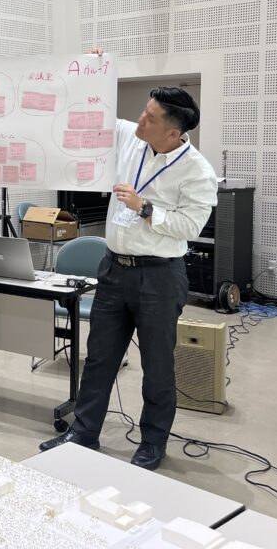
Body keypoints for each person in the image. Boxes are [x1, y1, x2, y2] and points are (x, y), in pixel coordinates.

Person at [39, 84, 217, 471]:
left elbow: (190, 226)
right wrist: (92, 71)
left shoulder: (198, 172)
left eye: (150, 118)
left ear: (173, 131)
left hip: (159, 276)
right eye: (143, 111)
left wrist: (145, 207)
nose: (140, 119)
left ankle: (152, 442)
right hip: (114, 268)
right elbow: (97, 111)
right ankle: (84, 432)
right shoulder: (131, 138)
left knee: (157, 366)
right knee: (99, 358)